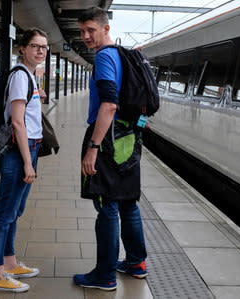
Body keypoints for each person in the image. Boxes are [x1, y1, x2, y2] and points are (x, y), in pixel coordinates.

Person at [74, 7, 148, 291]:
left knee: (106, 207)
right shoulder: (123, 54)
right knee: (128, 203)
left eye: (91, 29)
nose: (85, 36)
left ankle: (104, 275)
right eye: (82, 31)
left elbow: (109, 104)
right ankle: (136, 263)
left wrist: (93, 147)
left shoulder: (105, 57)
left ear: (106, 28)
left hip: (107, 140)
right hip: (129, 138)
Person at [0, 28, 48, 293]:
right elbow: (18, 123)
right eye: (35, 46)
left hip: (28, 147)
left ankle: (10, 263)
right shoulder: (21, 77)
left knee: (15, 211)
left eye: (44, 47)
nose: (40, 51)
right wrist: (28, 162)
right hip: (18, 149)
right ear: (22, 48)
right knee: (5, 213)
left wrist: (39, 92)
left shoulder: (29, 76)